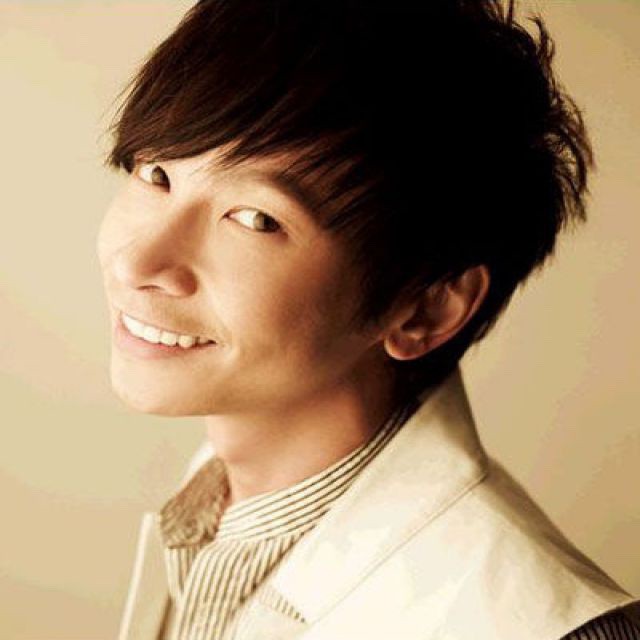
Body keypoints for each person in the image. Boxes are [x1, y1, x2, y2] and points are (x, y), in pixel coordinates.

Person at [97, 1, 640, 638]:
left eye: (254, 219)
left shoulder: (547, 626)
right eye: (156, 174)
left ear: (424, 309)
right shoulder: (214, 509)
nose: (138, 262)